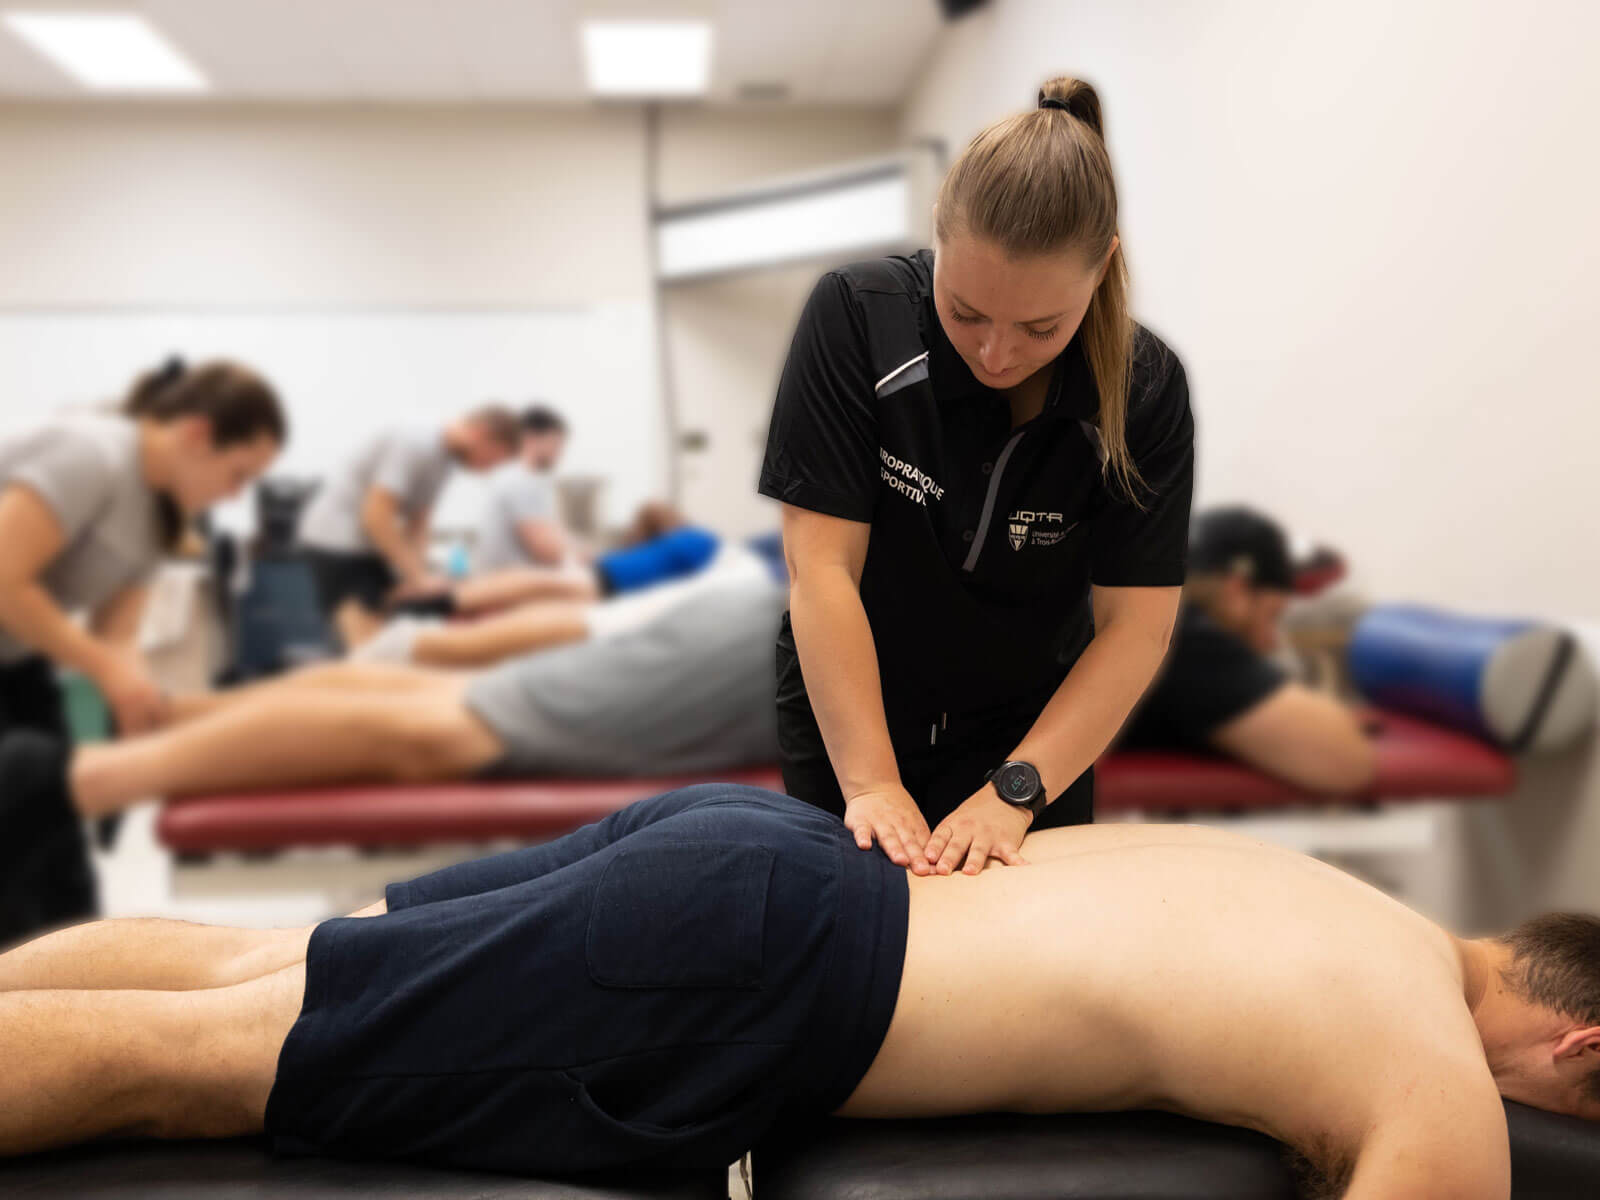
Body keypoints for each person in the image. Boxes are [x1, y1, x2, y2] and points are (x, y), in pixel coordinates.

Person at [5, 783, 1597, 1197]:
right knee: (189, 1063)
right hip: (751, 965)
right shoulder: (1434, 1068)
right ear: (1578, 1050)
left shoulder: (1341, 898)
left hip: (753, 853)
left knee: (242, 968)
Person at [760, 77, 1193, 879]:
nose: (996, 354)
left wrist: (1015, 792)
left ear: (1104, 268)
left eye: (1040, 328)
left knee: (1025, 982)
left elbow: (1135, 628)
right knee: (856, 960)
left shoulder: (1145, 390)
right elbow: (821, 570)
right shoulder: (858, 317)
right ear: (937, 233)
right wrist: (872, 782)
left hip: (1032, 730)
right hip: (858, 712)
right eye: (965, 312)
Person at [0, 568, 783, 834]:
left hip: (762, 617)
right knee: (447, 724)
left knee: (443, 695)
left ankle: (140, 739)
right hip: (777, 637)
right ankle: (86, 777)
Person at [0, 358, 286, 940]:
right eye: (237, 474)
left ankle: (65, 1001)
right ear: (197, 434)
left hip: (14, 660)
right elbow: (5, 576)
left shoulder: (160, 509)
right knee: (20, 829)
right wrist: (106, 667)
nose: (235, 495)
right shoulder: (92, 455)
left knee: (62, 868)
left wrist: (133, 692)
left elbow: (118, 633)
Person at [1118, 506, 1377, 792]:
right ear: (1236, 591)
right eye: (1271, 616)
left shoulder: (1144, 610)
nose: (1271, 642)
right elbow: (1347, 763)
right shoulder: (1184, 637)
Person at [296, 406, 520, 646]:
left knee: (390, 641)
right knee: (368, 648)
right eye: (495, 459)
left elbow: (419, 523)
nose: (490, 469)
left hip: (367, 548)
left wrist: (418, 579)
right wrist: (417, 577)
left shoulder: (444, 460)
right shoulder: (416, 441)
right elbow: (376, 516)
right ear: (479, 433)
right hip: (336, 543)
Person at [473, 404, 571, 573]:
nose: (560, 452)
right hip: (511, 588)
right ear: (530, 438)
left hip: (505, 583)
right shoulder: (522, 481)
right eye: (556, 443)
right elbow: (549, 553)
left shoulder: (510, 476)